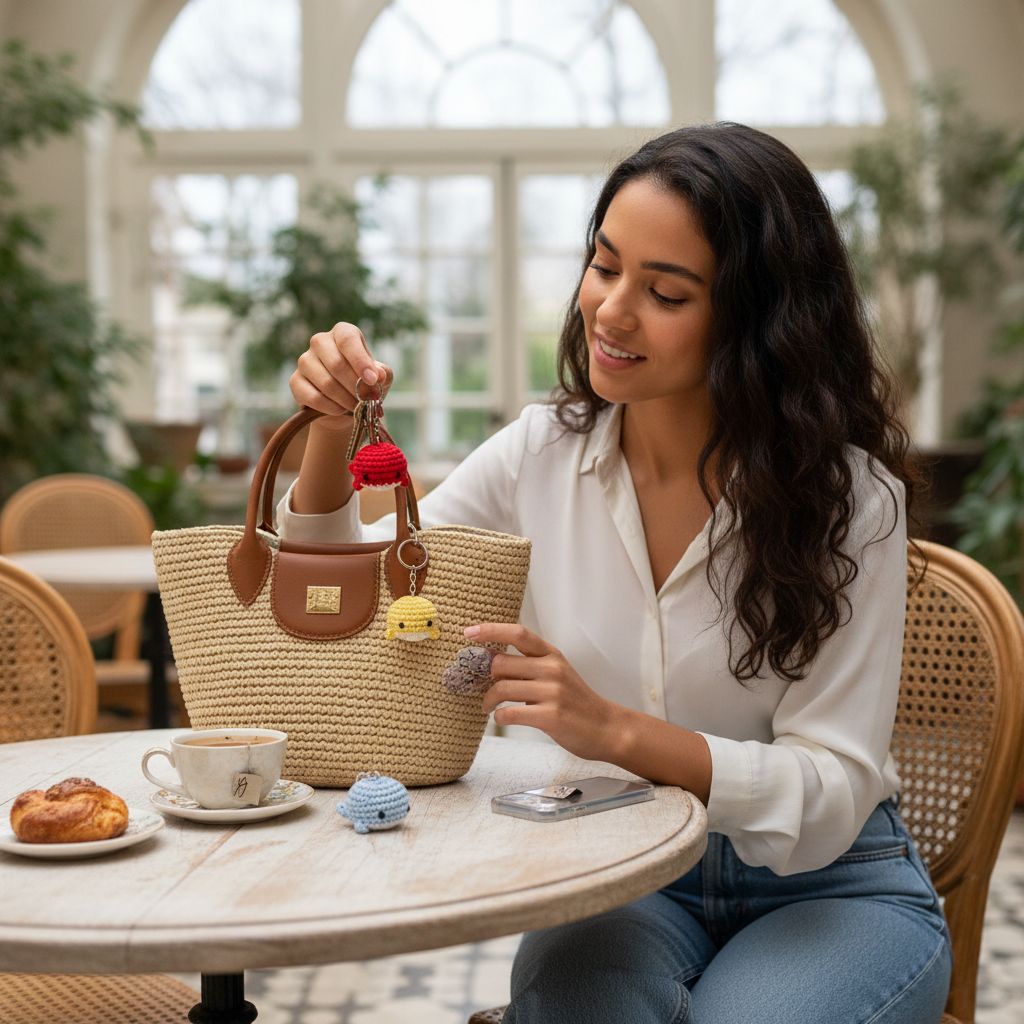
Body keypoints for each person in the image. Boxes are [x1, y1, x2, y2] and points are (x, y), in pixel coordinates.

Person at [279, 123, 952, 1023]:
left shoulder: (853, 499)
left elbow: (831, 789)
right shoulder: (539, 455)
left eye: (665, 291)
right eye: (604, 266)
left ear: (760, 320)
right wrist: (330, 429)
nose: (612, 310)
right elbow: (354, 595)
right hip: (619, 869)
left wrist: (612, 731)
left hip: (830, 886)